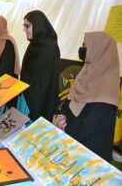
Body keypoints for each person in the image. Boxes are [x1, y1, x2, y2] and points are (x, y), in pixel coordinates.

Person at [55, 31, 120, 162]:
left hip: (90, 153)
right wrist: (64, 115)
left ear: (99, 50)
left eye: (85, 46)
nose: (82, 50)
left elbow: (91, 124)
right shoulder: (86, 71)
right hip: (73, 142)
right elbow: (72, 100)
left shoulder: (107, 84)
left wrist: (66, 128)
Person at [19, 10, 60, 122]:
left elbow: (46, 81)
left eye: (27, 26)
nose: (24, 30)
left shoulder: (49, 48)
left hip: (38, 101)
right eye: (24, 26)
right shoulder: (34, 44)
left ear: (38, 25)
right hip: (26, 95)